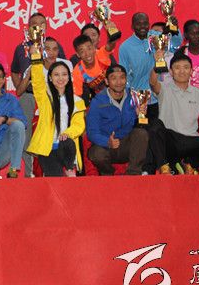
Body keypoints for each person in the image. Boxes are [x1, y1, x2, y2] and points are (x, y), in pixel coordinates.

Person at [147, 53, 199, 175]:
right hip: (171, 140)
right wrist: (157, 64)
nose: (182, 71)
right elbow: (153, 83)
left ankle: (189, 163)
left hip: (191, 140)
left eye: (185, 67)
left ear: (191, 71)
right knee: (155, 125)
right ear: (171, 72)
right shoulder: (164, 88)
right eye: (177, 68)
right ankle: (164, 167)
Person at [9, 12, 66, 177]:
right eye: (34, 23)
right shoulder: (21, 48)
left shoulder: (53, 46)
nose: (38, 27)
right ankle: (30, 172)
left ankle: (50, 170)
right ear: (28, 28)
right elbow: (14, 71)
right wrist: (21, 85)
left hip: (50, 97)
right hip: (28, 95)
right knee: (26, 134)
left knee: (50, 132)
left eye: (42, 23)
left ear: (46, 27)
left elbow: (63, 68)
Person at [26, 45, 85, 177]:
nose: (60, 78)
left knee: (67, 141)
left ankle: (70, 168)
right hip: (48, 149)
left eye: (64, 74)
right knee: (55, 182)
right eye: (56, 75)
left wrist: (68, 133)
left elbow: (79, 125)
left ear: (69, 77)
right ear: (50, 78)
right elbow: (37, 82)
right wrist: (36, 58)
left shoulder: (78, 101)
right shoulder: (45, 98)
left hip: (66, 147)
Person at [85, 65, 149, 176]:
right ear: (106, 81)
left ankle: (133, 174)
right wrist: (107, 142)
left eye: (122, 77)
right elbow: (91, 132)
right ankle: (108, 174)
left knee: (141, 134)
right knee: (96, 154)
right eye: (114, 78)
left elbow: (140, 124)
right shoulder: (97, 101)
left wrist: (138, 115)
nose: (119, 82)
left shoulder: (134, 96)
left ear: (126, 79)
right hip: (107, 146)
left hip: (126, 144)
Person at [118, 12, 181, 122]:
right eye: (138, 24)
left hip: (158, 96)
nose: (142, 27)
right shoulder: (125, 47)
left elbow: (175, 45)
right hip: (139, 101)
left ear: (149, 24)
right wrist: (131, 100)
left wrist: (175, 29)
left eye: (145, 23)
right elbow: (124, 76)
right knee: (141, 131)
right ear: (132, 26)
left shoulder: (156, 37)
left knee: (161, 130)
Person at [71, 30, 118, 106]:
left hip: (118, 92)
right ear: (78, 54)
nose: (87, 54)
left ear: (93, 48)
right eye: (82, 51)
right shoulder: (77, 72)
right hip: (101, 102)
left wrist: (112, 31)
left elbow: (110, 45)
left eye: (89, 48)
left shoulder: (100, 54)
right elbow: (77, 97)